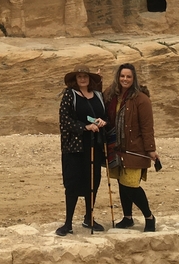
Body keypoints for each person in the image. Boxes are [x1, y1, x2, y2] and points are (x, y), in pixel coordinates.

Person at [55, 65, 108, 236]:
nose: (83, 79)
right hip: (75, 148)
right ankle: (68, 223)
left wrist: (102, 122)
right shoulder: (70, 95)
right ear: (75, 79)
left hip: (94, 146)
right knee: (72, 183)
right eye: (79, 77)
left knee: (92, 182)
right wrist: (85, 127)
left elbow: (104, 115)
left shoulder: (98, 95)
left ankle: (89, 217)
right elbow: (64, 120)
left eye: (85, 76)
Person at [105, 62, 158, 232]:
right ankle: (127, 217)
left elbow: (147, 126)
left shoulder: (141, 99)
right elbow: (98, 99)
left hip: (135, 149)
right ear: (118, 77)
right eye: (122, 76)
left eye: (128, 76)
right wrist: (96, 81)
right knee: (121, 182)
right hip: (116, 146)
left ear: (133, 78)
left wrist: (151, 149)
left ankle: (149, 217)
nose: (125, 79)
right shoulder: (112, 94)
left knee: (130, 185)